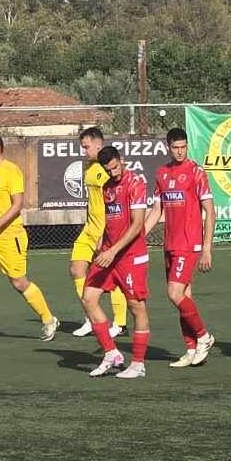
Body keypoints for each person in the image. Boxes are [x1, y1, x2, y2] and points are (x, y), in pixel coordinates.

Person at [0, 132, 59, 342]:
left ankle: (49, 319)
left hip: (10, 236)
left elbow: (17, 205)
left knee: (19, 282)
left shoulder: (11, 171)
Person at [142, 128, 217, 368]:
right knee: (184, 297)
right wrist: (139, 236)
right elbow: (157, 210)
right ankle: (191, 349)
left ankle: (204, 336)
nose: (180, 151)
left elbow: (210, 211)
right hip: (170, 244)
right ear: (168, 147)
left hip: (189, 243)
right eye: (175, 147)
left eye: (183, 147)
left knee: (174, 293)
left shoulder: (196, 172)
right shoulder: (161, 173)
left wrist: (206, 248)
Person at [81, 146, 151, 379]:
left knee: (136, 307)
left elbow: (137, 224)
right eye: (108, 170)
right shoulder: (107, 187)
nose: (113, 173)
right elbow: (110, 221)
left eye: (115, 167)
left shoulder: (136, 184)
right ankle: (111, 353)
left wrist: (113, 251)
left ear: (121, 160)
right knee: (88, 297)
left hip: (130, 256)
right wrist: (103, 244)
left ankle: (138, 364)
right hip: (108, 253)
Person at [69, 127, 129, 340]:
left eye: (86, 147)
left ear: (98, 144)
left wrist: (105, 233)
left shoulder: (107, 168)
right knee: (76, 269)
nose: (84, 151)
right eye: (82, 147)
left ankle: (120, 323)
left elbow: (114, 201)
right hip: (90, 228)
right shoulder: (89, 166)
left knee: (112, 275)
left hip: (106, 229)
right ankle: (91, 318)